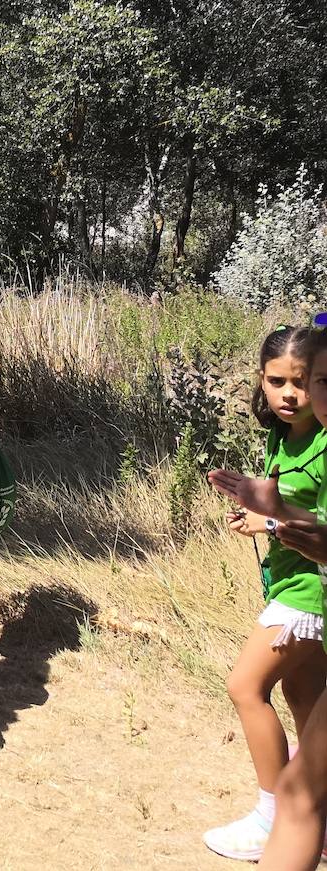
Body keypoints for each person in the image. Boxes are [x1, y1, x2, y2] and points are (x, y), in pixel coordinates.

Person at [202, 328, 327, 862]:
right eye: (277, 381)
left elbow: (316, 521)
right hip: (289, 583)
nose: (289, 394)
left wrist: (269, 523)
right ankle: (316, 819)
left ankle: (273, 815)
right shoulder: (283, 435)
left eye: (302, 382)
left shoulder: (321, 440)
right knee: (303, 698)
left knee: (244, 687)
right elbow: (283, 503)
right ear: (261, 381)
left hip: (308, 593)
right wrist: (258, 510)